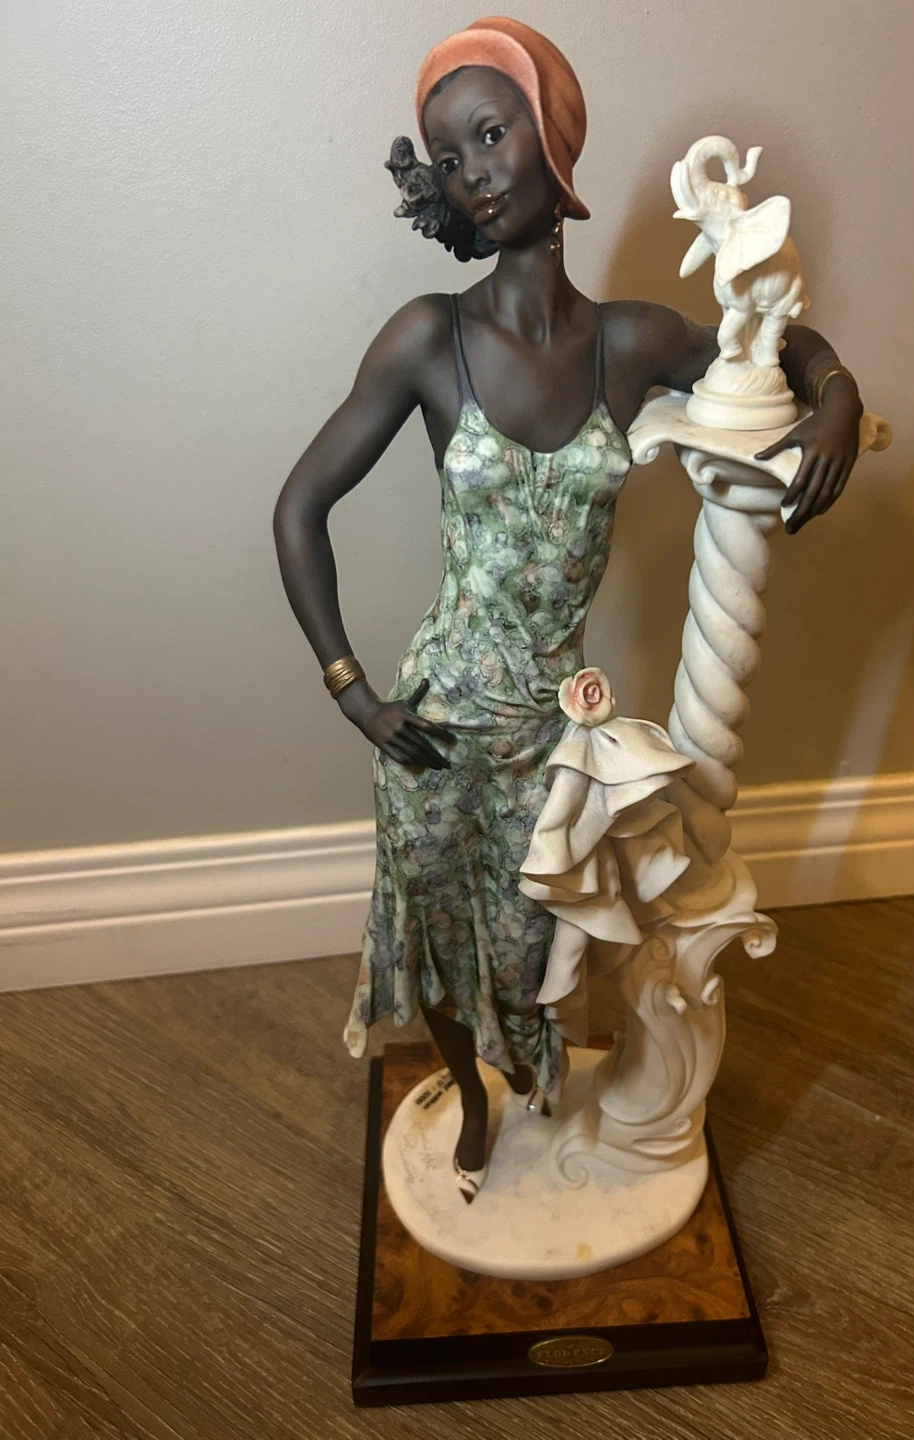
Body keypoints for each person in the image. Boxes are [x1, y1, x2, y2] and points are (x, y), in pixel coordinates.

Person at [273, 17, 864, 1201]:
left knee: (546, 941)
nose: (474, 173)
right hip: (439, 724)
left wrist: (837, 394)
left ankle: (539, 1083)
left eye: (492, 134)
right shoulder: (429, 337)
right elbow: (298, 510)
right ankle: (472, 1101)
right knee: (439, 944)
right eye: (449, 158)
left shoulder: (629, 342)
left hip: (557, 728)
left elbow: (772, 339)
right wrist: (356, 695)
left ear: (552, 138)